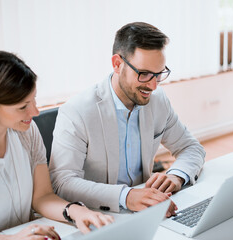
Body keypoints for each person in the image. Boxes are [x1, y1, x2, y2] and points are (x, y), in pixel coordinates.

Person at [49, 22, 205, 216]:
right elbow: (62, 182)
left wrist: (176, 175)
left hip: (151, 211)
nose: (153, 86)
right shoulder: (77, 112)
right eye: (144, 74)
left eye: (158, 74)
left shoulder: (158, 100)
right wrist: (126, 196)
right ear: (117, 64)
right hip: (100, 215)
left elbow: (191, 147)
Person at [0, 51, 113, 240]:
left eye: (34, 100)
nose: (36, 112)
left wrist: (76, 212)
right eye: (23, 106)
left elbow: (42, 197)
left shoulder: (27, 132)